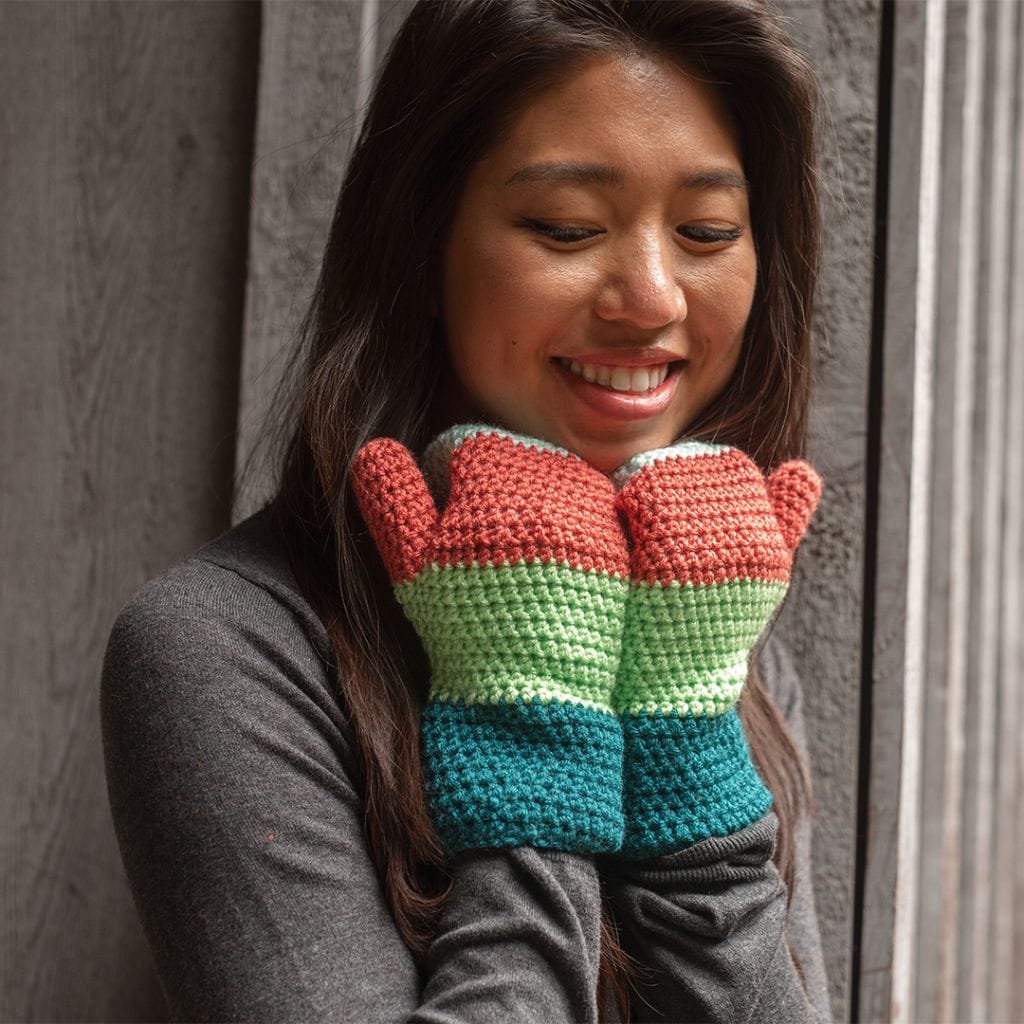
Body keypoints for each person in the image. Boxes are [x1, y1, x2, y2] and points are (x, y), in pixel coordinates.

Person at [99, 1, 833, 1020]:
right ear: (422, 243)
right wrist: (533, 715)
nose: (654, 295)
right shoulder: (222, 649)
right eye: (567, 228)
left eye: (707, 232)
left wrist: (683, 738)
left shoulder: (706, 627)